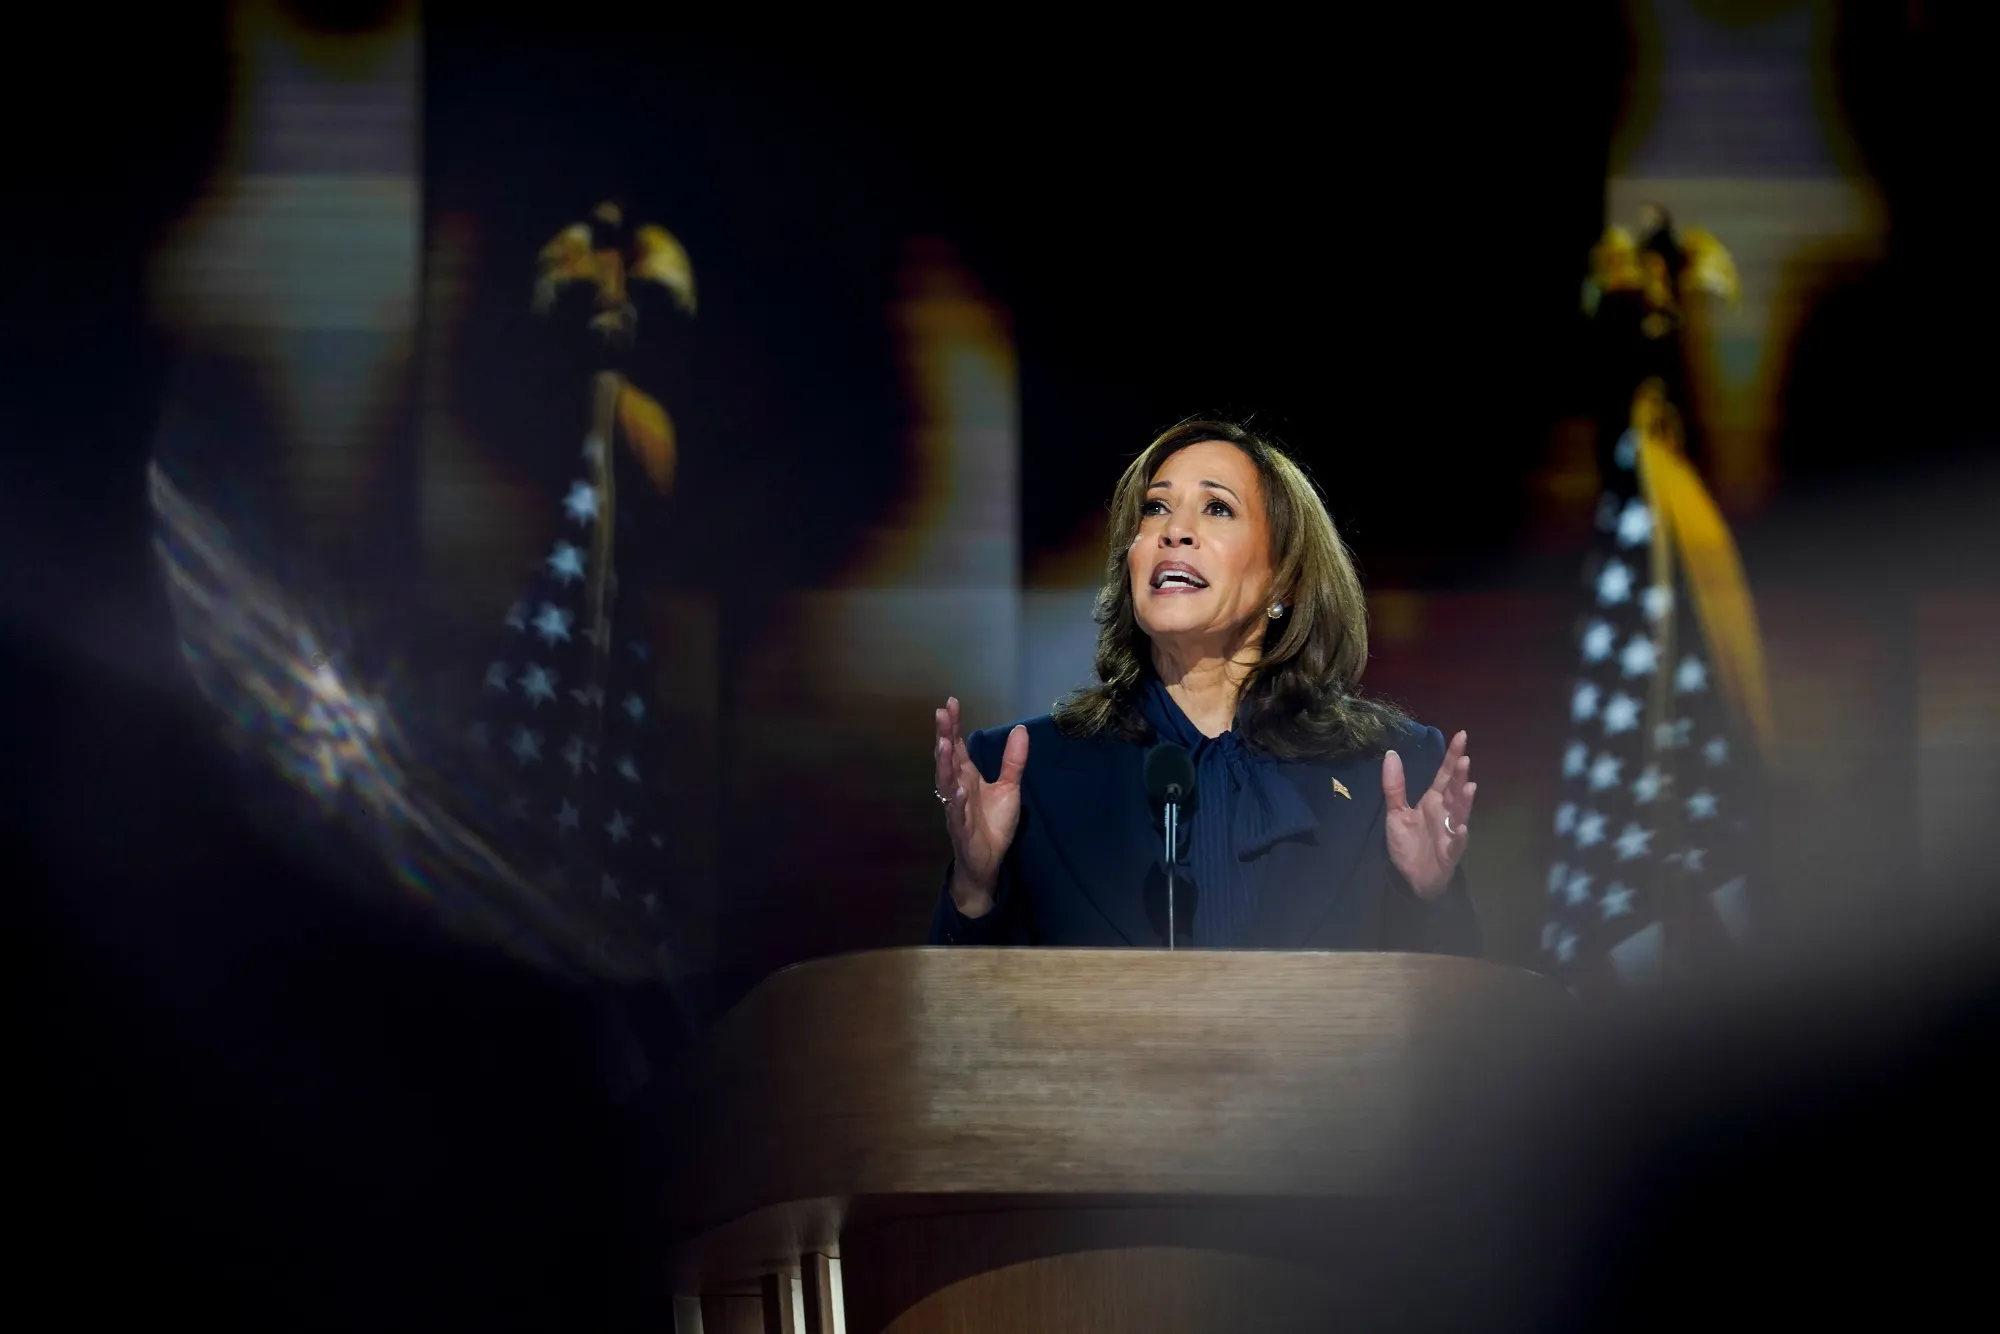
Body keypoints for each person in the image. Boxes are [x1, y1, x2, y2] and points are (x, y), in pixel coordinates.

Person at [928, 419, 1481, 953]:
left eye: (1217, 507)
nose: (1174, 530)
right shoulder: (1022, 773)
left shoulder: (1391, 771)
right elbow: (959, 1030)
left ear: (1282, 578)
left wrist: (1428, 897)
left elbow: (1457, 1032)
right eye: (1156, 508)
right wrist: (975, 889)